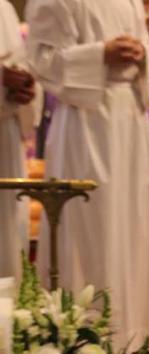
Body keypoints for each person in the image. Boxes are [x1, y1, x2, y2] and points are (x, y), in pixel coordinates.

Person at [26, 0, 149, 353]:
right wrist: (100, 54)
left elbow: (147, 55)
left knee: (132, 220)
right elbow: (42, 60)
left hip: (129, 119)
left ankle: (133, 329)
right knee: (91, 218)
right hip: (85, 120)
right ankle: (86, 331)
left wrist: (141, 55)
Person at [1, 0, 37, 280]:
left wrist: (25, 87)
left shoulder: (5, 8)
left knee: (9, 230)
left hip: (6, 132)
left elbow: (24, 63)